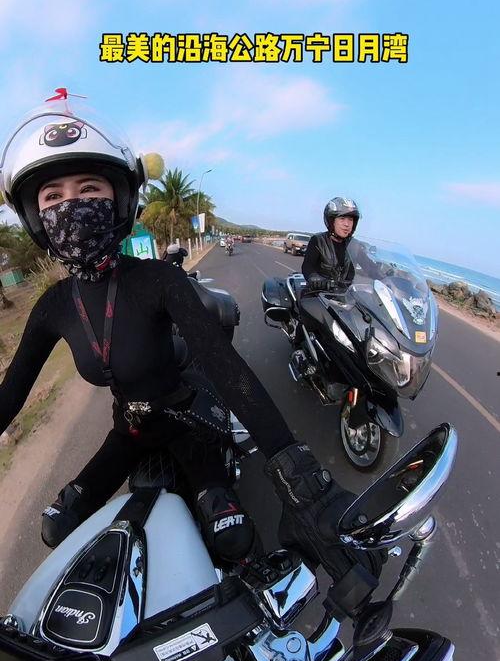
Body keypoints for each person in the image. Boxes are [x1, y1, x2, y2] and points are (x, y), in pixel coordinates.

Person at [0, 99, 384, 589]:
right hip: (128, 433)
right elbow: (10, 396)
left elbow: (226, 367)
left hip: (188, 422)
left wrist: (301, 475)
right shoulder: (52, 306)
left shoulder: (159, 279)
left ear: (120, 199)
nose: (70, 206)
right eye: (52, 196)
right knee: (56, 527)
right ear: (36, 217)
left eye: (89, 188)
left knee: (236, 543)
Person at [301, 197, 379, 290]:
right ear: (332, 221)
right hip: (319, 293)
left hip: (346, 295)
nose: (347, 224)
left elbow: (370, 267)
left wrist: (387, 276)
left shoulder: (354, 245)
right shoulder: (318, 240)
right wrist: (314, 278)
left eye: (350, 219)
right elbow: (307, 266)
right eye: (342, 218)